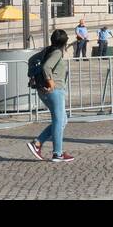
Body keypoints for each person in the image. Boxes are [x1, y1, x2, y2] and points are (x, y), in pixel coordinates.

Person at [27, 29, 74, 163]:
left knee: (62, 120)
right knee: (59, 121)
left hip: (43, 90)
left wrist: (32, 75)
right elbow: (47, 67)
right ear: (64, 42)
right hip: (54, 90)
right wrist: (50, 80)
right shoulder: (57, 52)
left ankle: (37, 143)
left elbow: (31, 60)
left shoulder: (47, 50)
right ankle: (57, 153)